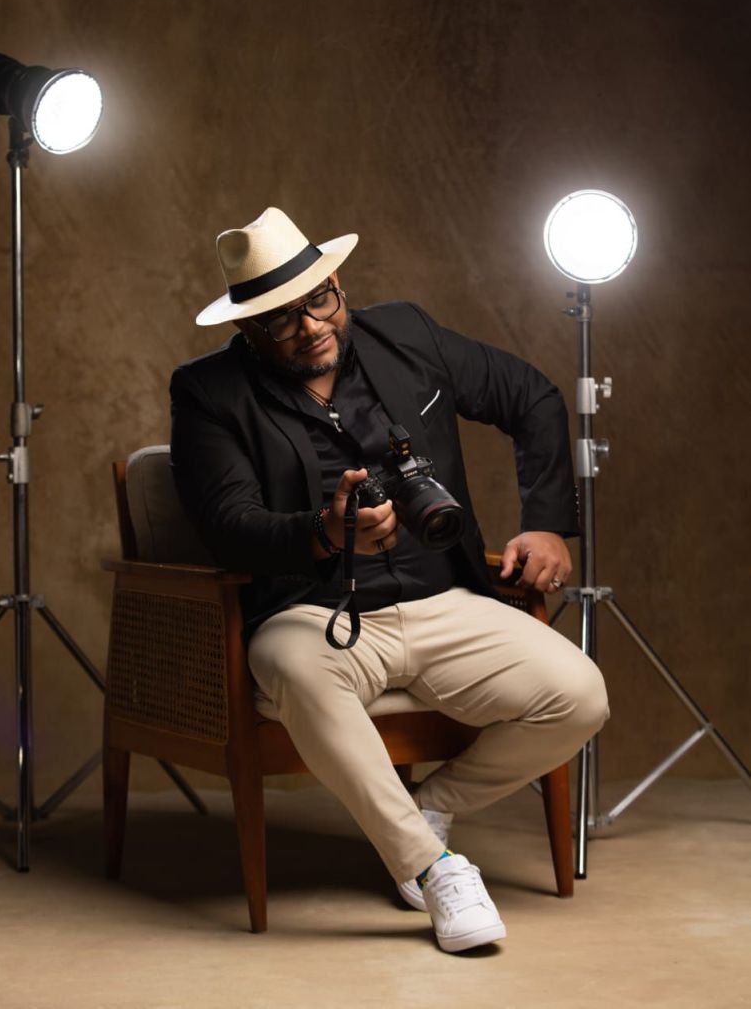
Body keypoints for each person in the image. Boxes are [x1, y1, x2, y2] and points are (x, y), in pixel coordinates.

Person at [170, 207, 608, 953]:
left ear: (337, 282)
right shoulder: (208, 391)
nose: (311, 327)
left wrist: (544, 523)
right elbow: (227, 524)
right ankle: (434, 868)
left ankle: (431, 808)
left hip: (443, 598)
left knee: (580, 695)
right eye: (281, 319)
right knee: (298, 671)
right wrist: (322, 530)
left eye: (320, 300)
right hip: (313, 611)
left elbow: (531, 396)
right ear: (246, 328)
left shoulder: (405, 332)